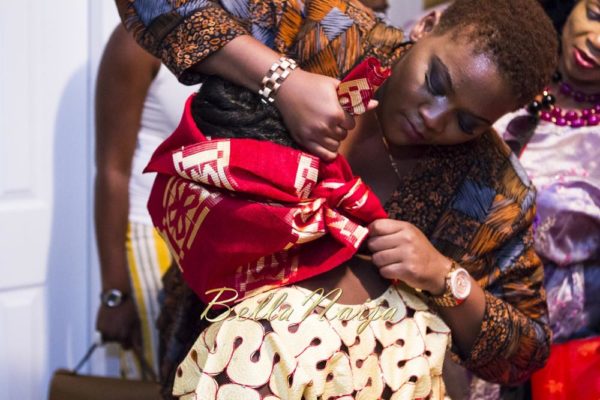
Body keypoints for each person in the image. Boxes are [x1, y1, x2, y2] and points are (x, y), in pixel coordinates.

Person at [114, 0, 558, 397]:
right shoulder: (329, 33)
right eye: (436, 82)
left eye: (467, 122)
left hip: (351, 381)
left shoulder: (493, 190)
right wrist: (281, 79)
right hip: (216, 348)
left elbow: (527, 353)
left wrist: (446, 278)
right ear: (427, 24)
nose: (433, 116)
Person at [493, 0, 600, 397]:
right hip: (439, 300)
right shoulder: (510, 77)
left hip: (545, 352)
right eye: (596, 13)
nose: (598, 40)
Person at [94, 24, 197, 377]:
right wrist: (114, 292)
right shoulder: (138, 38)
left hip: (212, 235)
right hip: (153, 235)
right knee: (163, 375)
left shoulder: (249, 34)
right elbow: (112, 170)